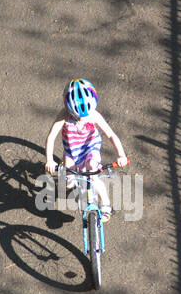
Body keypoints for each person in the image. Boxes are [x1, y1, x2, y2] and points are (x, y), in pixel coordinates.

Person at [44, 78, 128, 221]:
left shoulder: (94, 115)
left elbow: (111, 135)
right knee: (68, 182)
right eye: (77, 116)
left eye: (85, 115)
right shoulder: (64, 115)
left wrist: (121, 155)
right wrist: (50, 160)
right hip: (71, 151)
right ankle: (73, 182)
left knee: (92, 172)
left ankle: (106, 204)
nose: (82, 119)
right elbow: (51, 136)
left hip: (90, 147)